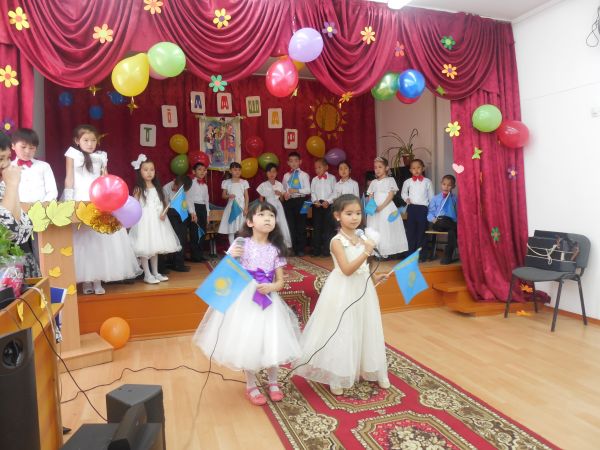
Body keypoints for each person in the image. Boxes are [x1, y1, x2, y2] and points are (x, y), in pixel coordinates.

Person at [193, 201, 301, 406]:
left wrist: (271, 286)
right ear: (250, 222)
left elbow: (280, 282)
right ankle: (251, 384)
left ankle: (273, 382)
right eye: (262, 215)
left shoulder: (275, 250)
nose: (268, 218)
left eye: (271, 215)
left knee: (271, 339)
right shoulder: (242, 243)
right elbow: (226, 273)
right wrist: (231, 258)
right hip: (244, 299)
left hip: (267, 300)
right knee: (248, 340)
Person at [294, 194, 389, 395]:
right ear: (338, 216)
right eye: (349, 213)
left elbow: (365, 266)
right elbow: (346, 269)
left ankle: (371, 369)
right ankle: (338, 374)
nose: (354, 217)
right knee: (342, 328)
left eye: (358, 213)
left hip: (363, 288)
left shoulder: (363, 238)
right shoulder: (337, 241)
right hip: (343, 288)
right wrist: (366, 251)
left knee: (366, 325)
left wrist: (375, 277)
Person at [63, 125, 141, 294]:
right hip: (80, 199)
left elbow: (107, 179)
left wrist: (111, 198)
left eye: (93, 140)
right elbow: (69, 178)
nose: (90, 143)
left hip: (99, 200)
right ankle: (86, 282)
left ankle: (98, 281)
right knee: (83, 241)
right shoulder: (72, 154)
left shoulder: (101, 156)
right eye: (86, 140)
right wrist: (69, 201)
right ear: (77, 141)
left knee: (100, 241)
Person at [129, 157, 181, 284]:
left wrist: (164, 212)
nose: (149, 172)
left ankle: (156, 272)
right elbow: (134, 206)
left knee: (155, 248)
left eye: (152, 169)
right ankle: (147, 274)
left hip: (157, 220)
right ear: (140, 172)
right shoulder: (139, 189)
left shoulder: (157, 187)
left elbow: (164, 203)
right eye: (146, 170)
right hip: (144, 221)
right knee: (145, 247)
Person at [0, 132, 40, 278]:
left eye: (8, 158)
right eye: (1, 159)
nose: (6, 165)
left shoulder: (4, 186)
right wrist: (12, 184)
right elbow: (7, 231)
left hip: (20, 268)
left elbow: (19, 226)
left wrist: (13, 185)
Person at [366, 156, 408, 258]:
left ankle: (388, 251)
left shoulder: (390, 180)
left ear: (386, 168)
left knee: (386, 228)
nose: (377, 169)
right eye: (375, 167)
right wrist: (372, 206)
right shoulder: (374, 182)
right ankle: (377, 251)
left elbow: (391, 195)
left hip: (387, 207)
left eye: (380, 167)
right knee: (375, 228)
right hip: (375, 208)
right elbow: (370, 195)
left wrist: (381, 206)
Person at [11, 128, 57, 203]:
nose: (27, 151)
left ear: (36, 148)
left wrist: (43, 206)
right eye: (23, 147)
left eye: (31, 148)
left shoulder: (44, 166)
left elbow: (52, 191)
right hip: (15, 208)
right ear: (13, 146)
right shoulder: (8, 167)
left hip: (41, 208)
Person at [401, 159, 434, 260]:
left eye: (418, 167)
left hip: (423, 209)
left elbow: (431, 197)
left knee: (421, 232)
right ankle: (410, 254)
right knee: (411, 232)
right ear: (410, 170)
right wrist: (406, 199)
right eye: (413, 168)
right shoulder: (408, 182)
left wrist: (431, 211)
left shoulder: (427, 182)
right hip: (411, 208)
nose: (416, 170)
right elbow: (403, 193)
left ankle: (421, 255)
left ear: (423, 168)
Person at [256, 163, 292, 249]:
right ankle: (269, 245)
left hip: (278, 206)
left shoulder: (279, 184)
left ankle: (281, 245)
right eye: (269, 172)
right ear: (266, 173)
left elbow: (282, 199)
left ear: (276, 173)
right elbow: (261, 199)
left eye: (274, 171)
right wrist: (262, 210)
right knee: (269, 224)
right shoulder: (263, 185)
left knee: (281, 224)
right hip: (268, 206)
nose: (271, 174)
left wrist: (280, 194)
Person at [282, 152, 311, 256]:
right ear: (288, 163)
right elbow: (284, 189)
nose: (293, 163)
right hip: (289, 202)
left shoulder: (304, 175)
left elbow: (308, 190)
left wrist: (296, 190)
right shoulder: (286, 176)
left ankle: (301, 249)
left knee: (301, 225)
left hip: (302, 201)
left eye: (296, 161)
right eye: (291, 161)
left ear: (300, 162)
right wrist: (285, 194)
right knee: (291, 225)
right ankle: (293, 248)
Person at [162, 174, 192, 272]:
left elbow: (188, 200)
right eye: (177, 188)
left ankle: (179, 263)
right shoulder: (165, 188)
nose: (177, 190)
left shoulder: (184, 187)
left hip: (182, 213)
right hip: (171, 214)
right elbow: (164, 204)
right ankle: (173, 263)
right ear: (174, 181)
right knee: (174, 239)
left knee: (182, 238)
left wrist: (192, 212)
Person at [427, 174, 458, 265]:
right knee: (444, 220)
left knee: (452, 232)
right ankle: (458, 228)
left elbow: (458, 212)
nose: (446, 187)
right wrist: (433, 219)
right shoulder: (435, 198)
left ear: (453, 186)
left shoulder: (455, 198)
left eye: (449, 185)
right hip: (438, 222)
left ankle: (447, 257)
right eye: (444, 184)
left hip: (450, 223)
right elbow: (430, 213)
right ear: (441, 184)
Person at [217, 162, 249, 245]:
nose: (237, 172)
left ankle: (241, 247)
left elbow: (246, 196)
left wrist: (246, 208)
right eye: (235, 170)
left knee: (241, 228)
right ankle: (232, 247)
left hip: (241, 207)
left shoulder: (244, 182)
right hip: (231, 207)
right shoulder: (226, 182)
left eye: (239, 170)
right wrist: (229, 196)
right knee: (231, 228)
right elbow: (223, 195)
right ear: (230, 171)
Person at [310, 158, 336, 257]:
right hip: (317, 205)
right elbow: (312, 192)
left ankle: (326, 251)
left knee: (327, 229)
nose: (317, 170)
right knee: (317, 228)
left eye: (319, 167)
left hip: (328, 205)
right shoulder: (314, 179)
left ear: (326, 167)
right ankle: (316, 250)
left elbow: (335, 192)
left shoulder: (332, 178)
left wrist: (328, 201)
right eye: (315, 168)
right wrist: (315, 200)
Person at [187, 162, 210, 262]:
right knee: (195, 233)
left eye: (204, 170)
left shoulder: (205, 185)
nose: (202, 172)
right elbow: (189, 198)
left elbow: (206, 200)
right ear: (194, 171)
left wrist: (208, 214)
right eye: (199, 169)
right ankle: (195, 256)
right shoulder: (191, 183)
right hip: (194, 208)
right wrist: (192, 212)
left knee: (203, 232)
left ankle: (200, 255)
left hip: (203, 208)